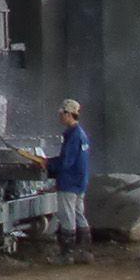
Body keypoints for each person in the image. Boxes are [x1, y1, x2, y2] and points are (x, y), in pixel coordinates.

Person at [50, 99, 92, 263]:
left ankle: (66, 255)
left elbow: (66, 161)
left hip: (69, 182)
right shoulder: (82, 134)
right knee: (79, 215)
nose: (60, 116)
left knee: (67, 217)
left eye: (62, 113)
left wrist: (48, 163)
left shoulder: (73, 135)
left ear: (69, 114)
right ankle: (85, 253)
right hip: (80, 182)